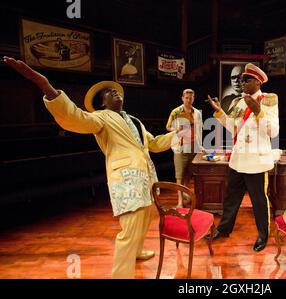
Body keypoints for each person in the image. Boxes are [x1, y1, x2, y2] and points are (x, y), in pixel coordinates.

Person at [3, 56, 176, 279]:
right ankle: (121, 275)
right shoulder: (100, 118)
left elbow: (153, 144)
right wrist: (45, 86)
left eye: (116, 91)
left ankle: (137, 251)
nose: (116, 93)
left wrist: (175, 135)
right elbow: (74, 118)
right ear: (102, 103)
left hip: (145, 177)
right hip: (126, 179)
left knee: (144, 219)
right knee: (130, 227)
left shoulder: (134, 119)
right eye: (109, 92)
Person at [205, 63, 279, 252]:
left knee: (259, 201)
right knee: (231, 198)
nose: (242, 82)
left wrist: (258, 112)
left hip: (256, 162)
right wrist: (219, 111)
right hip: (238, 160)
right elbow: (233, 127)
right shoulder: (238, 102)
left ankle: (263, 235)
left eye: (246, 79)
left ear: (257, 81)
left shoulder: (268, 100)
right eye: (241, 79)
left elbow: (273, 132)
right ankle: (224, 229)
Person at [166, 89, 203, 208]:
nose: (189, 100)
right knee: (179, 175)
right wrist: (176, 129)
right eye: (186, 98)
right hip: (181, 146)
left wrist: (200, 146)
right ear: (182, 98)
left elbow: (199, 130)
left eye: (191, 98)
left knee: (188, 174)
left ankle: (185, 194)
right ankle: (180, 201)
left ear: (193, 98)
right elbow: (168, 127)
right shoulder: (176, 112)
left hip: (193, 146)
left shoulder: (197, 112)